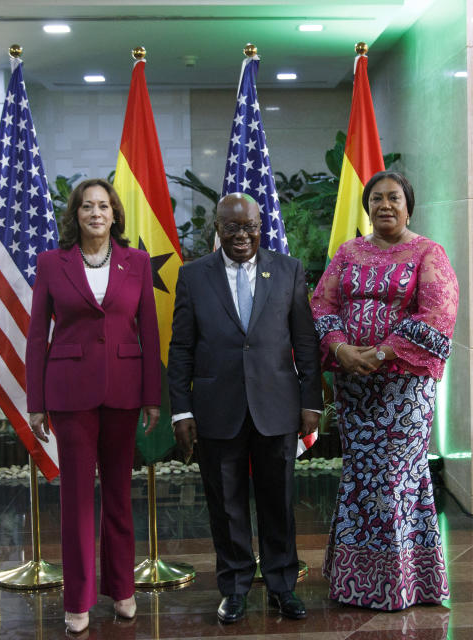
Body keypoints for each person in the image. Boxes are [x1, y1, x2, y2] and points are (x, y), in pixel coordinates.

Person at [167, 193, 321, 624]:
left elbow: (305, 341)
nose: (241, 236)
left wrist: (312, 400)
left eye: (249, 226)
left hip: (277, 406)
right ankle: (233, 588)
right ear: (217, 227)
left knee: (279, 502)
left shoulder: (287, 270)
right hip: (218, 408)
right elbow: (181, 348)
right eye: (231, 227)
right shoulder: (194, 276)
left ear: (261, 226)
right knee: (226, 505)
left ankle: (281, 586)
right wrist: (181, 411)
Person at [310, 170, 459, 611]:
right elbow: (322, 302)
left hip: (405, 391)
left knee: (395, 480)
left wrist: (379, 354)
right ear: (367, 206)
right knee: (361, 475)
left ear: (408, 205)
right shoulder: (349, 251)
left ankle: (400, 585)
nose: (385, 205)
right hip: (354, 388)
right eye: (376, 199)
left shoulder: (428, 252)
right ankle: (354, 581)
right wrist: (340, 348)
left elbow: (438, 312)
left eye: (394, 198)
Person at [25, 178, 161, 634]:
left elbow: (149, 331)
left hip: (124, 392)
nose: (96, 213)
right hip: (69, 394)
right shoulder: (51, 263)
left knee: (120, 495)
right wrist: (36, 401)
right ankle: (78, 599)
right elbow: (35, 337)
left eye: (103, 206)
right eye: (87, 206)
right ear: (76, 214)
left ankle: (123, 589)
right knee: (77, 499)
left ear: (115, 214)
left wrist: (151, 396)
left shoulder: (137, 262)